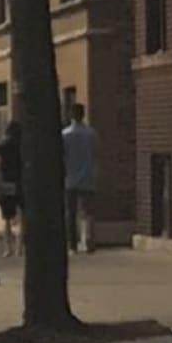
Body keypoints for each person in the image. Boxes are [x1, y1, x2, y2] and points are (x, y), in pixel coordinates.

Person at [61, 103, 99, 253]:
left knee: (70, 213)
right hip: (88, 176)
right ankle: (88, 240)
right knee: (88, 211)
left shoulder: (65, 135)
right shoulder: (92, 134)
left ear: (71, 116)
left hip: (70, 177)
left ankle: (72, 245)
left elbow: (62, 156)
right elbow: (97, 154)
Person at [0, 121, 24, 256]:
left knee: (6, 217)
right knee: (22, 216)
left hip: (6, 182)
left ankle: (8, 248)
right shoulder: (23, 146)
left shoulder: (1, 146)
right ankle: (19, 248)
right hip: (21, 182)